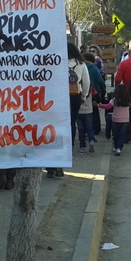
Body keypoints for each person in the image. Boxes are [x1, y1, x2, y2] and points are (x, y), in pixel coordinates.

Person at [47, 42, 89, 178]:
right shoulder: (81, 64)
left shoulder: (56, 62)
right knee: (71, 122)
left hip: (58, 97)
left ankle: (53, 154)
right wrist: (84, 96)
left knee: (55, 124)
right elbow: (86, 82)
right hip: (74, 96)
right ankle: (68, 148)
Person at [98, 83, 131, 156]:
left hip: (115, 120)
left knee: (115, 135)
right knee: (122, 136)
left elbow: (108, 107)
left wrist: (99, 105)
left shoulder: (114, 100)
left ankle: (116, 146)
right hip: (125, 121)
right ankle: (119, 148)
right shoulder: (128, 100)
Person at [84, 52, 106, 137]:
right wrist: (103, 91)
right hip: (94, 93)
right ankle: (96, 129)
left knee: (84, 113)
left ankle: (85, 129)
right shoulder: (94, 69)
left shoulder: (81, 67)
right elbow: (100, 82)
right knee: (95, 111)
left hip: (82, 93)